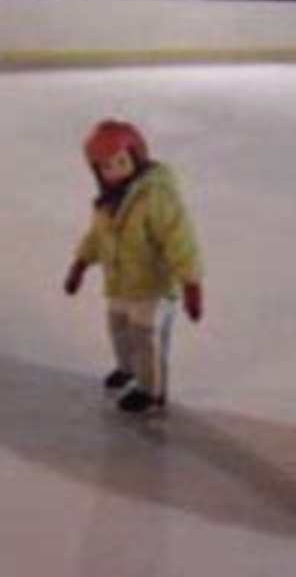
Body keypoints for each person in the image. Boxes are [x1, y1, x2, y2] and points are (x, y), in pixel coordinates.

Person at [63, 119, 204, 415]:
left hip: (152, 288)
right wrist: (80, 264)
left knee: (145, 337)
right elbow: (97, 236)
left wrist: (191, 282)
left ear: (136, 156)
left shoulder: (156, 197)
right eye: (105, 167)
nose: (113, 171)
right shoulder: (108, 202)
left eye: (120, 162)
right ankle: (128, 369)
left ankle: (151, 391)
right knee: (118, 328)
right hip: (121, 283)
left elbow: (180, 239)